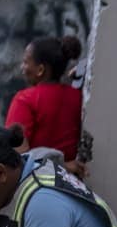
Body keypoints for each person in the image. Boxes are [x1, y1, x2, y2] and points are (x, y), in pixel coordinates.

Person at [5, 35, 86, 175]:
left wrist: (62, 166)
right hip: (71, 183)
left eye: (25, 62)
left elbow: (16, 157)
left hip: (36, 184)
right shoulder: (78, 97)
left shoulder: (25, 99)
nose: (22, 68)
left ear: (40, 70)